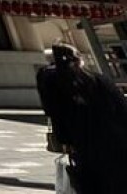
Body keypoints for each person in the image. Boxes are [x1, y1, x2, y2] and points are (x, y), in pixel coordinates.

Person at [37, 42, 127, 194]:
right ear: (78, 59)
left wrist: (65, 140)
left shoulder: (51, 85)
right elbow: (122, 109)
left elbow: (53, 114)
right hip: (115, 142)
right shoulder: (96, 80)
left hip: (83, 146)